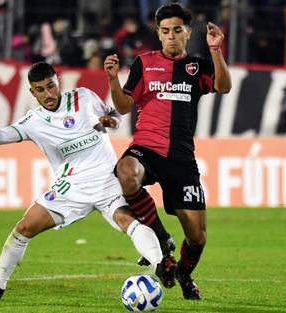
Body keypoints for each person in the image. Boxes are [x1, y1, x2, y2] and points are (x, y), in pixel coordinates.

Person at [0, 62, 167, 300]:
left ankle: (161, 265)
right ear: (32, 92)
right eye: (40, 89)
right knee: (24, 228)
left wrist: (111, 122)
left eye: (51, 86)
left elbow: (115, 115)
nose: (48, 94)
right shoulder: (33, 121)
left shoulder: (84, 97)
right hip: (70, 188)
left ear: (58, 82)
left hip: (106, 178)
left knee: (128, 221)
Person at [104, 3, 231, 300]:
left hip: (182, 159)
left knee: (197, 239)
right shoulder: (144, 62)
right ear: (158, 34)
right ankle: (162, 240)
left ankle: (182, 273)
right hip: (147, 148)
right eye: (165, 31)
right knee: (125, 172)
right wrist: (112, 79)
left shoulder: (197, 66)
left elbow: (223, 87)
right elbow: (124, 106)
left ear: (188, 32)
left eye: (177, 30)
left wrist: (215, 50)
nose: (171, 36)